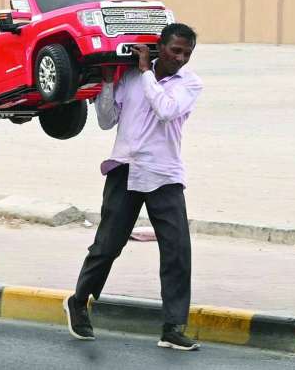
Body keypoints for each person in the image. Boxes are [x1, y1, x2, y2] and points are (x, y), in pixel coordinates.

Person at [63, 23, 204, 351]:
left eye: (186, 53)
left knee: (177, 251)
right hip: (125, 170)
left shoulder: (189, 83)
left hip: (164, 174)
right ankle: (79, 301)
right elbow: (107, 119)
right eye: (175, 50)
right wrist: (110, 80)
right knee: (107, 246)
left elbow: (166, 110)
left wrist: (145, 73)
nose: (180, 58)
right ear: (160, 47)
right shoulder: (129, 78)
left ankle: (172, 326)